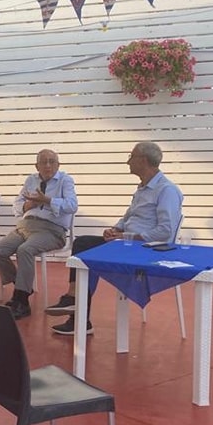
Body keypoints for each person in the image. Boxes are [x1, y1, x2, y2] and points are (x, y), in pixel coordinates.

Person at [46, 141, 184, 336]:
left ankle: (76, 307)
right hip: (127, 243)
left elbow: (165, 232)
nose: (128, 161)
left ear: (143, 160)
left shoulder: (166, 190)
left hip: (147, 249)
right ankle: (78, 311)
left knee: (84, 246)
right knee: (86, 247)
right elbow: (129, 216)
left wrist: (125, 236)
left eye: (131, 156)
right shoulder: (143, 188)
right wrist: (115, 229)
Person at [0, 150, 78, 320]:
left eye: (52, 161)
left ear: (58, 165)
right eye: (43, 162)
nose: (48, 165)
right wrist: (28, 206)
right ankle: (23, 287)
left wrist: (47, 200)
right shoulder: (31, 180)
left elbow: (72, 205)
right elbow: (17, 205)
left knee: (25, 250)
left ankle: (21, 301)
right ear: (37, 166)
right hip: (25, 226)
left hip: (51, 230)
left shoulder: (65, 180)